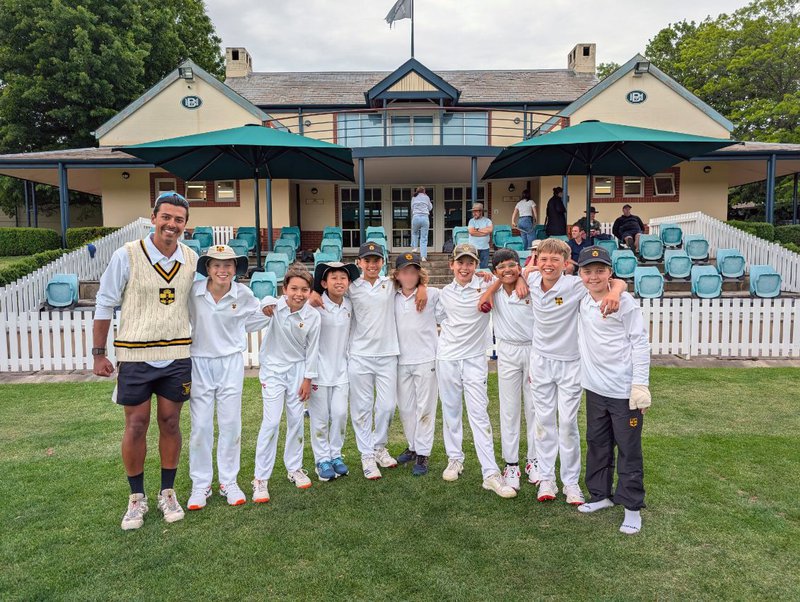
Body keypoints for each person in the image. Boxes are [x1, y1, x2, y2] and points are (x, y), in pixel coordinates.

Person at [93, 191, 198, 530]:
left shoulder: (191, 258)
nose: (171, 224)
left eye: (179, 219)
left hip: (176, 353)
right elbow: (105, 302)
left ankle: (168, 491)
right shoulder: (127, 255)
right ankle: (136, 497)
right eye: (166, 217)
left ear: (185, 224)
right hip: (136, 355)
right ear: (153, 218)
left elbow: (206, 299)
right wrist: (98, 353)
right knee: (136, 424)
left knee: (170, 422)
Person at [308, 242, 426, 480]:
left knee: (387, 406)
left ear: (382, 262)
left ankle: (379, 447)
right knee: (362, 408)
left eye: (376, 260)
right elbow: (330, 288)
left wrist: (422, 287)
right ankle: (367, 456)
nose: (372, 265)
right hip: (360, 356)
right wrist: (314, 291)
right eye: (367, 260)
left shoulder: (389, 284)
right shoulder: (352, 286)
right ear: (359, 263)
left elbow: (411, 282)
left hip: (388, 354)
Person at [521, 238, 626, 505]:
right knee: (544, 421)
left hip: (570, 363)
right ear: (537, 259)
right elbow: (519, 273)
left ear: (566, 263)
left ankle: (570, 482)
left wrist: (615, 293)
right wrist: (523, 275)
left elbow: (616, 283)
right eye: (544, 259)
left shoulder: (575, 285)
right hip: (541, 362)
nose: (548, 264)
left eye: (555, 260)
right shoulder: (531, 279)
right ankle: (546, 478)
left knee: (567, 423)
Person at [575, 246, 651, 535]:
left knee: (628, 449)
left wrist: (640, 385)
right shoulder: (582, 298)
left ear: (610, 272)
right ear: (580, 274)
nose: (594, 277)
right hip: (595, 388)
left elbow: (639, 343)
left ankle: (632, 507)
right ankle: (600, 495)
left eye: (600, 271)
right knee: (597, 443)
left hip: (623, 391)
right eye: (588, 271)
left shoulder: (625, 303)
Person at [186, 245, 265, 510]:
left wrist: (274, 308)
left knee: (230, 424)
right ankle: (201, 484)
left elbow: (256, 317)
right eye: (217, 265)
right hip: (199, 362)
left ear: (235, 268)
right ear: (208, 268)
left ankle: (228, 482)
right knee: (201, 426)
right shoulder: (193, 292)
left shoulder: (243, 294)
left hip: (231, 362)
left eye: (228, 265)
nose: (223, 270)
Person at [437, 243, 517, 498]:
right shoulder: (443, 294)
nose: (465, 267)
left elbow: (518, 273)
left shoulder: (487, 283)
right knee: (451, 411)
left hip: (474, 360)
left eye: (470, 263)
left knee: (479, 414)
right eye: (460, 262)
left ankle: (490, 473)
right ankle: (455, 459)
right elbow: (439, 318)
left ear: (476, 265)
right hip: (447, 358)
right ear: (452, 265)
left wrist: (493, 279)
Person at [252, 265, 321, 503]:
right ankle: (260, 478)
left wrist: (307, 379)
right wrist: (264, 307)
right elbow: (251, 321)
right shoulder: (274, 307)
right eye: (294, 289)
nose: (298, 294)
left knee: (296, 420)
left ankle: (294, 468)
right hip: (273, 371)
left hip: (298, 371)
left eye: (304, 289)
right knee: (271, 422)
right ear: (285, 289)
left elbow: (313, 350)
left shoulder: (313, 316)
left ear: (310, 291)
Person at [474, 248, 537, 490]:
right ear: (495, 271)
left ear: (519, 266)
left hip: (533, 349)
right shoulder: (495, 288)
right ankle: (511, 464)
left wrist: (522, 277)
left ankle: (534, 460)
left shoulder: (531, 282)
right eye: (501, 267)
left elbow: (536, 268)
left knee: (534, 407)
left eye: (512, 265)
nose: (507, 270)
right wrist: (497, 283)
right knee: (509, 409)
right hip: (508, 350)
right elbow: (481, 299)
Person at [308, 261, 359, 481]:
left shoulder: (350, 305)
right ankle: (322, 460)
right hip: (318, 371)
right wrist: (310, 295)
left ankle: (336, 455)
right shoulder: (314, 304)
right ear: (324, 283)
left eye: (343, 278)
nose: (339, 282)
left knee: (339, 414)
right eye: (334, 278)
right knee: (320, 418)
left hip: (342, 371)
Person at [391, 251, 440, 476]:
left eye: (413, 272)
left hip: (426, 358)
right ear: (397, 275)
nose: (409, 276)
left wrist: (423, 288)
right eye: (404, 272)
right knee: (406, 408)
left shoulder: (432, 294)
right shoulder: (391, 296)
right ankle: (412, 446)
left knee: (425, 408)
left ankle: (423, 453)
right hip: (400, 359)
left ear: (420, 274)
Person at [467, 202, 493, 269]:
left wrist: (477, 229)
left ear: (481, 212)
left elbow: (490, 230)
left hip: (485, 248)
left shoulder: (487, 221)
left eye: (476, 211)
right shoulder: (471, 221)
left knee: (484, 268)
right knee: (472, 267)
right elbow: (471, 232)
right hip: (473, 248)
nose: (474, 213)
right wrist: (484, 232)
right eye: (473, 211)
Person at [410, 186, 433, 261]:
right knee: (424, 238)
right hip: (425, 218)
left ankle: (415, 247)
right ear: (424, 191)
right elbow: (430, 208)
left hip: (416, 217)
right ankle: (423, 256)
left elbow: (412, 208)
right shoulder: (426, 197)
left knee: (414, 233)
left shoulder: (414, 197)